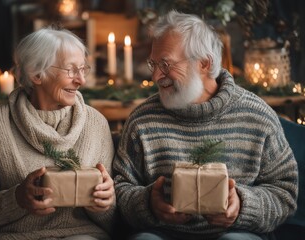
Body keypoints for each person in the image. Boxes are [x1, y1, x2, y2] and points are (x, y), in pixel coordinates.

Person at [113, 10, 298, 240]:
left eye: (166, 64)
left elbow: (285, 194)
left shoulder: (257, 116)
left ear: (204, 63)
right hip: (162, 233)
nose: (156, 76)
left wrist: (242, 206)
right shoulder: (142, 120)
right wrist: (148, 204)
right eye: (153, 63)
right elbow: (119, 189)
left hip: (237, 233)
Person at [0, 27, 116, 240]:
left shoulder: (95, 124)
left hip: (80, 235)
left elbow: (116, 219)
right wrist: (17, 200)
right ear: (36, 74)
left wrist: (105, 204)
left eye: (83, 69)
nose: (81, 81)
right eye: (70, 70)